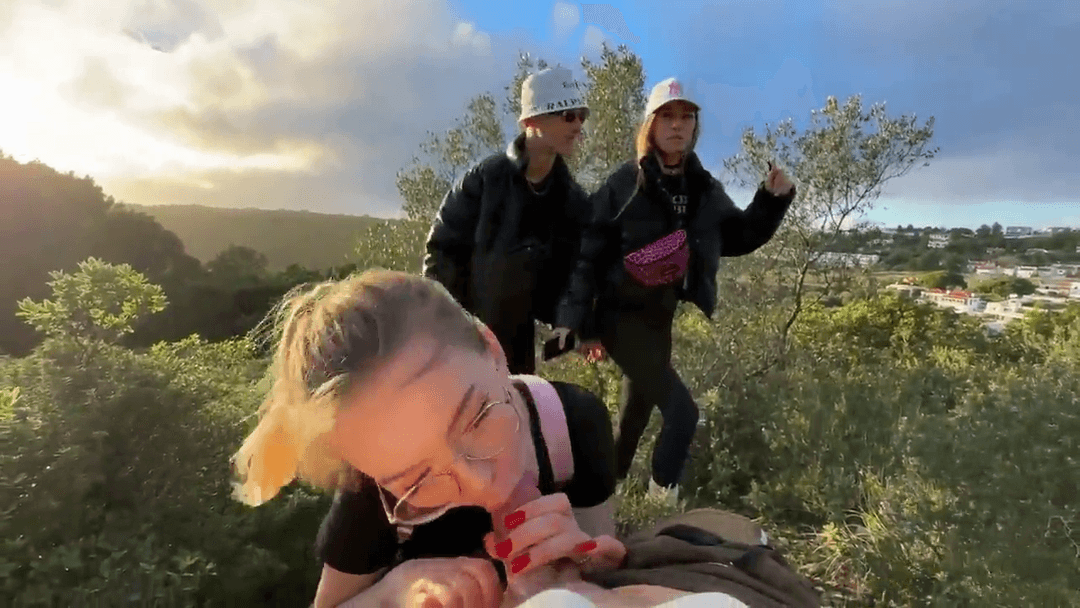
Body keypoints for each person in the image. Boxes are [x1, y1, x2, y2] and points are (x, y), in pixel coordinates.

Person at [231, 270, 623, 608]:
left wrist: (592, 567)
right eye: (416, 483)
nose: (479, 482)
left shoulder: (571, 427)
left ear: (492, 349)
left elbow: (599, 551)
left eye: (477, 419)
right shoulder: (374, 496)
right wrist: (393, 589)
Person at [554, 77, 796, 502]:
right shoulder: (624, 184)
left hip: (659, 317)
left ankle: (598, 496)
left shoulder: (702, 188)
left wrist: (771, 200)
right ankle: (659, 502)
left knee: (634, 415)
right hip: (619, 317)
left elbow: (736, 237)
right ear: (651, 124)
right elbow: (586, 256)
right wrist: (577, 324)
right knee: (683, 414)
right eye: (667, 115)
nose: (677, 125)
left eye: (686, 117)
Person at [423, 65, 592, 376]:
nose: (578, 125)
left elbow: (577, 274)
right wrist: (454, 328)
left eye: (582, 115)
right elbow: (441, 255)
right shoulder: (483, 182)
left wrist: (570, 323)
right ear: (531, 121)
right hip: (463, 347)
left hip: (518, 354)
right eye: (568, 115)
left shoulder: (574, 203)